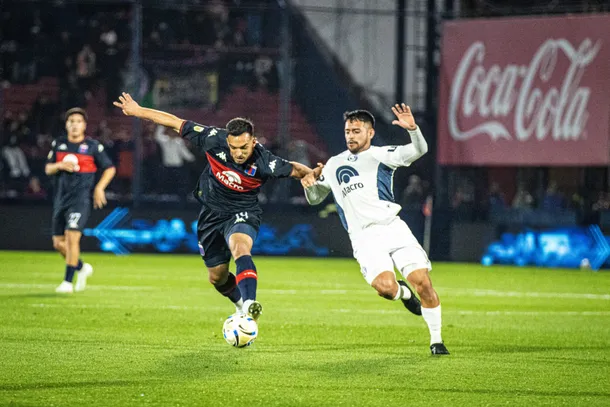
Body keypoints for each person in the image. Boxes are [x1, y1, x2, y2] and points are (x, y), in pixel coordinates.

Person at [113, 92, 314, 321]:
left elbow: (294, 169)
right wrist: (138, 111)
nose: (238, 153)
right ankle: (241, 306)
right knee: (217, 277)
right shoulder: (212, 138)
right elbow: (174, 122)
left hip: (242, 212)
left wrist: (312, 174)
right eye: (233, 147)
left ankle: (250, 304)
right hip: (210, 214)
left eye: (244, 147)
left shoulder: (264, 161)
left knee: (240, 248)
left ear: (253, 142)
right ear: (227, 141)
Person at [301, 104, 449, 355]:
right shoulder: (333, 164)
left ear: (370, 133)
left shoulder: (383, 155)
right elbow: (315, 199)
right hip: (364, 237)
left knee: (423, 283)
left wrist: (413, 130)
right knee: (386, 288)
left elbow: (420, 150)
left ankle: (437, 341)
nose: (350, 136)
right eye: (348, 131)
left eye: (356, 131)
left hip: (392, 227)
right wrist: (309, 185)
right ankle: (403, 294)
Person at [45, 108, 116, 294]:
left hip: (80, 200)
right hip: (61, 200)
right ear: (66, 125)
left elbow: (110, 168)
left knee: (71, 237)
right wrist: (60, 165)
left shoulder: (92, 146)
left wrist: (99, 188)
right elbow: (48, 169)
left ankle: (67, 282)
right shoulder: (59, 144)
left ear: (84, 125)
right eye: (71, 121)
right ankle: (81, 267)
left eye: (78, 121)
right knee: (58, 244)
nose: (75, 125)